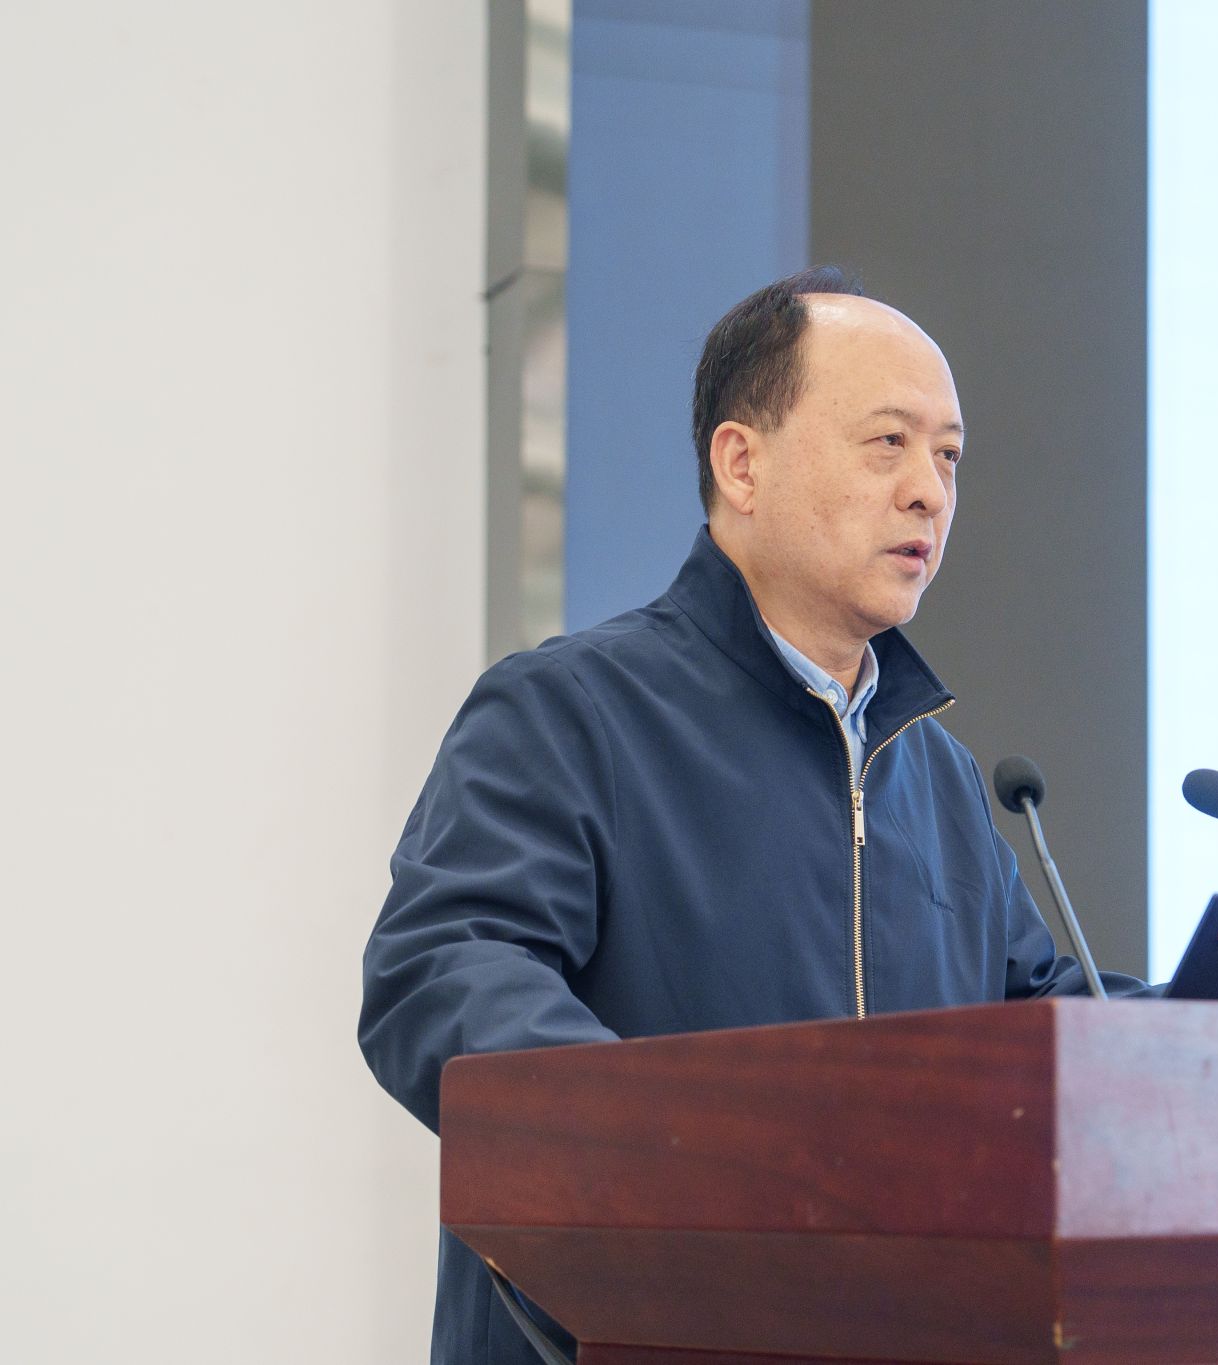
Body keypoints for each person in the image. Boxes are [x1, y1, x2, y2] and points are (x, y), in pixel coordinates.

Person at [358, 266, 1146, 1365]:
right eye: (888, 443)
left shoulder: (941, 778)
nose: (928, 491)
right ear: (741, 463)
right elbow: (442, 969)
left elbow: (1042, 1021)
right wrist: (687, 1158)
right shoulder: (572, 712)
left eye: (948, 456)